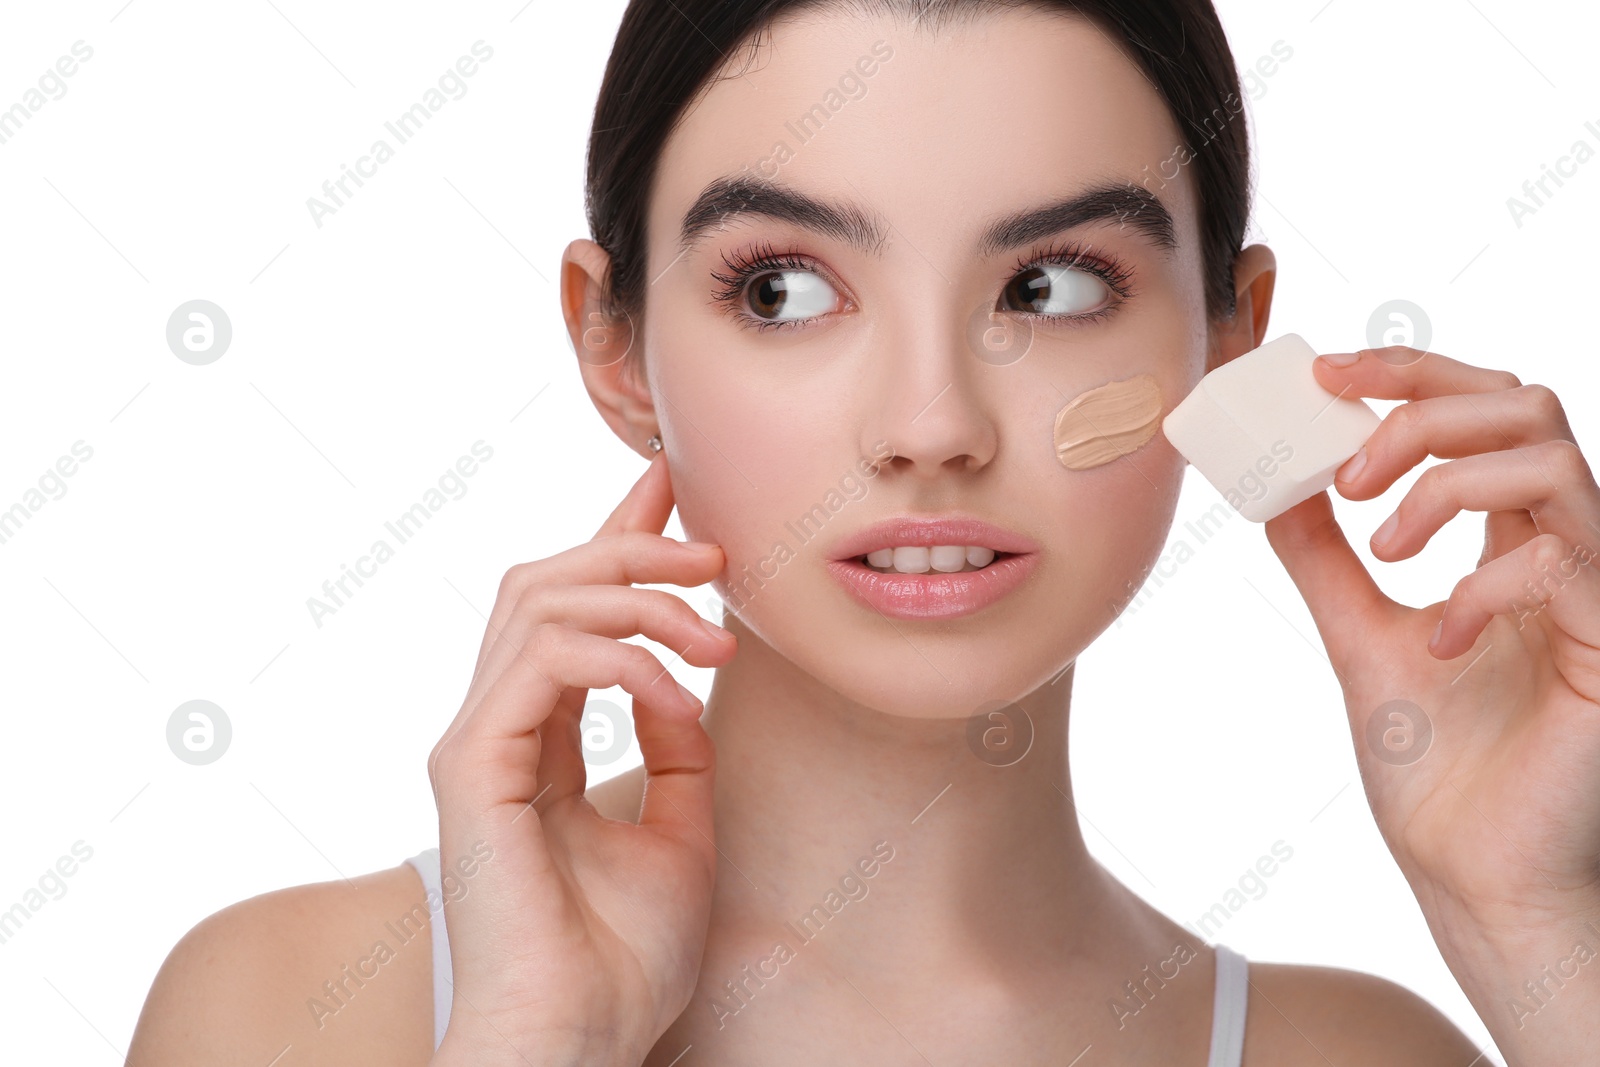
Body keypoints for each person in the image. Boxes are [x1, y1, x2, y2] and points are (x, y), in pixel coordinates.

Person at [127, 1, 1600, 1064]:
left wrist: (1538, 930)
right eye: (783, 288)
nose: (931, 422)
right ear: (615, 346)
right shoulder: (295, 1011)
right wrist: (533, 1043)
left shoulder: (1349, 1058)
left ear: (1232, 339)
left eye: (1056, 287)